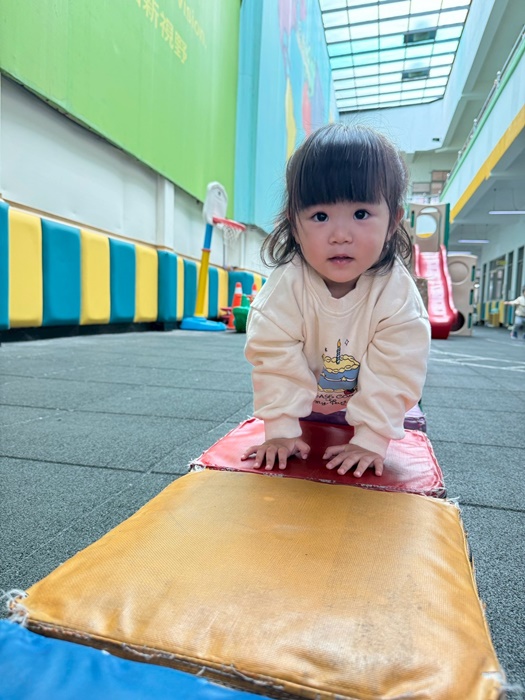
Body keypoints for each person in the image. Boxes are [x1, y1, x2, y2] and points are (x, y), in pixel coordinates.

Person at [242, 123, 431, 478]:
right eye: (320, 216)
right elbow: (273, 356)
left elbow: (395, 371)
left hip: (371, 405)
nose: (340, 235)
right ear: (294, 224)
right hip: (303, 404)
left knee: (399, 423)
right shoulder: (287, 287)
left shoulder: (396, 296)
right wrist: (281, 430)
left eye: (361, 214)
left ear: (393, 222)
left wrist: (371, 439)